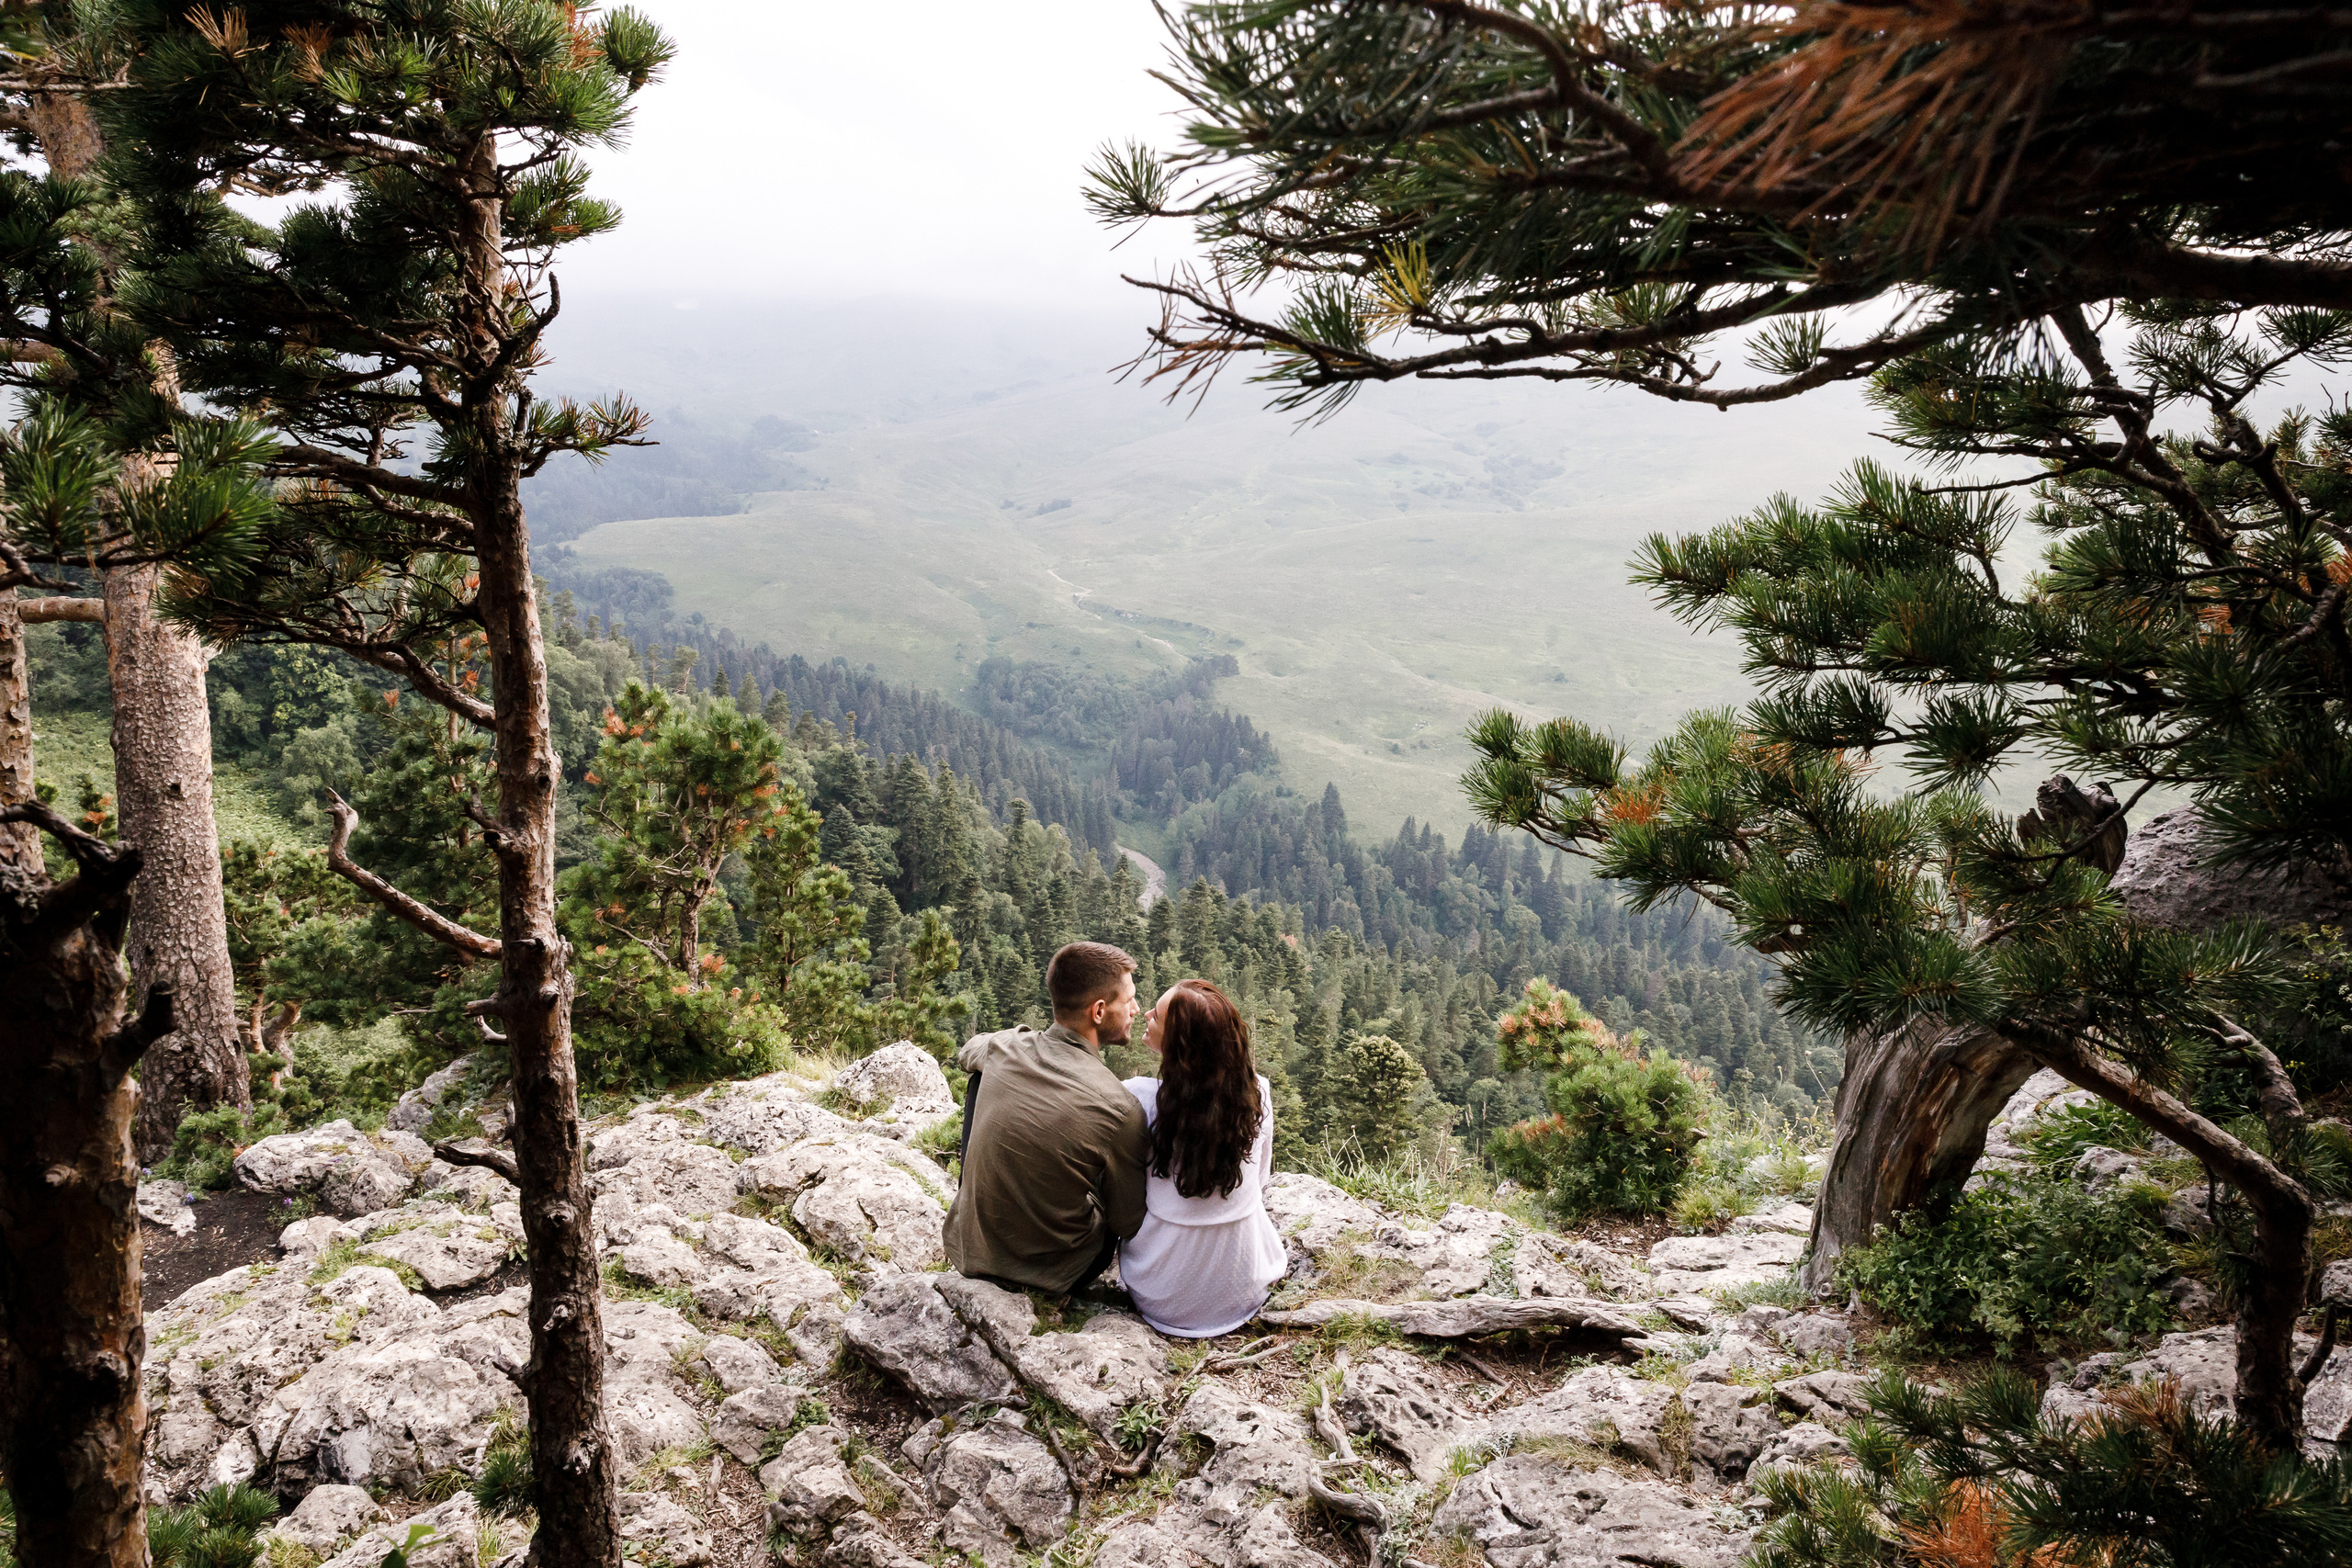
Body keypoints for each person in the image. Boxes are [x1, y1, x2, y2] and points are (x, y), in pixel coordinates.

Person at [941, 941, 1150, 1294]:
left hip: (968, 1250)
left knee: (980, 1077)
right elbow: (1128, 1221)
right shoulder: (1120, 1107)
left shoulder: (1004, 1046)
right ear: (1098, 1012)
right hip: (1055, 1273)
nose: (1136, 1008)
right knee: (1106, 1154)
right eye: (1128, 999)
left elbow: (969, 1051)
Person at [1117, 978, 1286, 1337]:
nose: (1145, 1014)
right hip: (1243, 1290)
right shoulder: (1259, 1096)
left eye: (1158, 1017)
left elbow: (1123, 1195)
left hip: (1158, 1292)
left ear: (1180, 1046)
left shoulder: (1137, 1100)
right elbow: (1259, 1184)